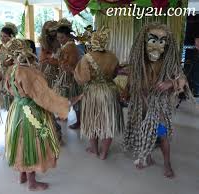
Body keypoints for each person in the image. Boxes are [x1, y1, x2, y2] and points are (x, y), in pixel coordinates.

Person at [4, 39, 82, 191]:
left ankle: (22, 174)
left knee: (20, 141)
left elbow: (8, 89)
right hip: (31, 112)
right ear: (30, 52)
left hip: (17, 110)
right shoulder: (29, 72)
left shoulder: (12, 69)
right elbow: (44, 97)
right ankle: (32, 182)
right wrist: (67, 102)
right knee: (31, 143)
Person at [123, 23, 193, 178]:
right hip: (140, 105)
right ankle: (147, 157)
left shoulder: (168, 62)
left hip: (158, 108)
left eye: (162, 42)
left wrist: (171, 83)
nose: (157, 47)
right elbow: (132, 79)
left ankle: (167, 163)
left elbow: (182, 78)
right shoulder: (138, 61)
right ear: (143, 41)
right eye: (153, 40)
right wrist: (126, 91)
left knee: (162, 135)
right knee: (142, 131)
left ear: (166, 44)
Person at [74, 29, 124, 160]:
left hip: (93, 93)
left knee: (92, 121)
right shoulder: (112, 56)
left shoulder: (87, 57)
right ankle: (104, 153)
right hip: (109, 92)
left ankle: (95, 150)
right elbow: (114, 74)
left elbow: (81, 78)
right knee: (108, 123)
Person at [55, 18, 82, 129]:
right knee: (69, 97)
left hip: (71, 75)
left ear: (67, 36)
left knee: (74, 98)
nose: (60, 40)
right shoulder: (68, 46)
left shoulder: (69, 46)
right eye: (58, 37)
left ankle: (78, 121)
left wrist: (60, 59)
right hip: (67, 74)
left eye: (62, 37)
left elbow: (70, 62)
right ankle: (65, 115)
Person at [0, 22, 17, 111]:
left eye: (5, 36)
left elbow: (18, 62)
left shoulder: (15, 48)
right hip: (0, 75)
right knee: (2, 95)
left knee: (11, 93)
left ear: (11, 36)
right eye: (1, 36)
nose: (2, 38)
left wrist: (10, 63)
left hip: (11, 74)